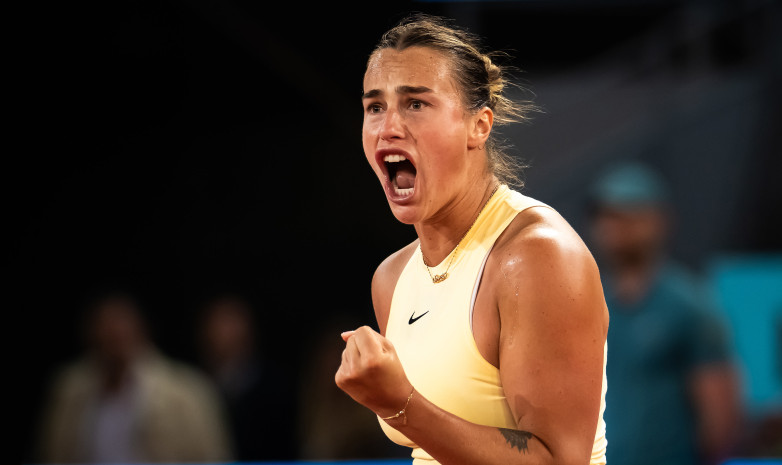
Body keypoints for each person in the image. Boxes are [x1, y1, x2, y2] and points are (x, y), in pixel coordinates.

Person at [335, 13, 609, 465]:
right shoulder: (392, 278)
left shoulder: (536, 255)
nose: (388, 127)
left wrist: (400, 405)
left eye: (415, 104)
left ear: (479, 125)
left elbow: (559, 460)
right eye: (375, 107)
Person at [586, 161, 742, 465]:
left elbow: (720, 420)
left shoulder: (689, 306)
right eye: (607, 216)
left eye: (629, 214)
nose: (615, 227)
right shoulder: (583, 302)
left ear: (659, 221)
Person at [36, 290, 233, 463]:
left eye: (120, 324)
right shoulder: (68, 389)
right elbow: (51, 455)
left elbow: (212, 457)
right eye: (104, 326)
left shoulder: (185, 390)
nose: (113, 333)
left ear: (140, 328)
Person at [196, 293, 298, 461]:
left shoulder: (276, 388)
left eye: (233, 321)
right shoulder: (194, 386)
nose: (227, 331)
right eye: (219, 322)